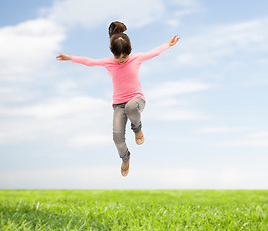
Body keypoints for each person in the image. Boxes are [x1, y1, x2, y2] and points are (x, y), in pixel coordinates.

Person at [56, 21, 180, 177]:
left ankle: (138, 129)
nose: (121, 59)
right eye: (117, 56)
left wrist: (168, 44)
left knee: (130, 107)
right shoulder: (108, 63)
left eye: (125, 56)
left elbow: (154, 52)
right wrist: (69, 58)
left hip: (136, 100)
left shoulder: (136, 58)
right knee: (117, 137)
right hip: (118, 105)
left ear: (130, 50)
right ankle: (125, 158)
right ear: (111, 52)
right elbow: (89, 61)